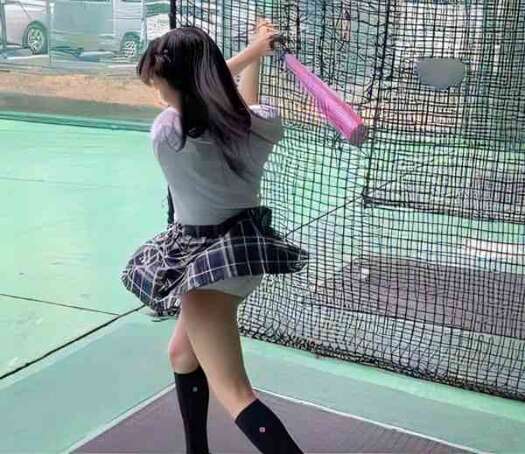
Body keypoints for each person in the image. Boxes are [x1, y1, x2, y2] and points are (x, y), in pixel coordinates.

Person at [120, 20, 308, 454]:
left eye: (160, 80)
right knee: (182, 355)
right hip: (242, 255)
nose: (157, 90)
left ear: (181, 83)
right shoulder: (260, 126)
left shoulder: (168, 134)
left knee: (235, 392)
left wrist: (252, 51)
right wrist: (255, 55)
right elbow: (241, 106)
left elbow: (209, 101)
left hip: (205, 269)